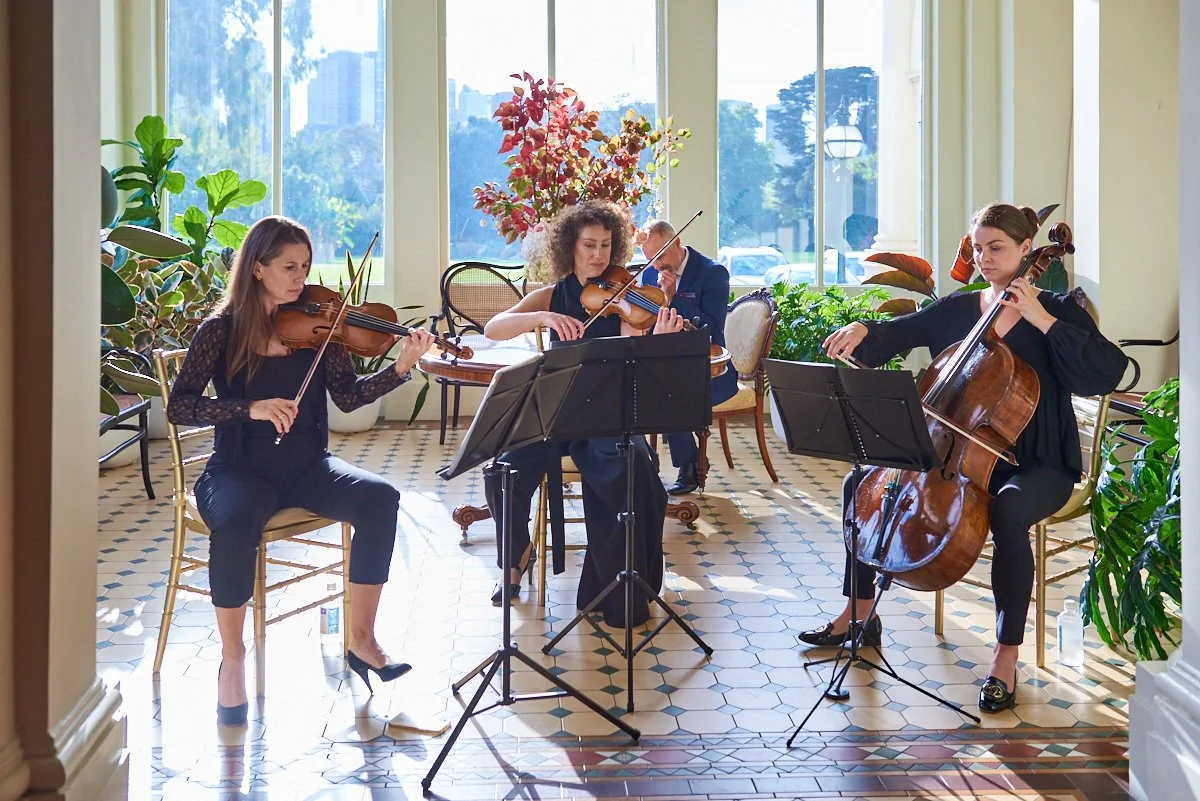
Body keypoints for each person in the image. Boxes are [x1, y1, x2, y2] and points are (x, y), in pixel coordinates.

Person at [798, 203, 1128, 714]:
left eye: (997, 247)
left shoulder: (1060, 310)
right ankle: (859, 615)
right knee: (858, 486)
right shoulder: (960, 308)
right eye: (978, 248)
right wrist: (864, 329)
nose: (985, 258)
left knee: (1009, 510)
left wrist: (1041, 319)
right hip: (963, 457)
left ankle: (1004, 655)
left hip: (1038, 462)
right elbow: (899, 333)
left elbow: (1108, 371)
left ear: (1026, 249)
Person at [166, 215, 435, 726]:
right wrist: (250, 408)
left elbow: (348, 397)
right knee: (236, 523)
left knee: (380, 499)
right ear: (257, 268)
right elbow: (180, 407)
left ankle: (362, 640)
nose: (301, 278)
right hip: (237, 470)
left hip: (309, 466)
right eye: (289, 267)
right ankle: (233, 658)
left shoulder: (322, 329)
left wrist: (401, 367)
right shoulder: (219, 331)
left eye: (306, 266)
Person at [482, 199, 685, 626]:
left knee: (629, 467)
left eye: (606, 246)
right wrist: (541, 316)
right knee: (501, 469)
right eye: (589, 245)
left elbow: (634, 358)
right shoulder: (552, 295)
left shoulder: (625, 299)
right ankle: (514, 559)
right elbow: (493, 328)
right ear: (570, 247)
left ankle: (611, 585)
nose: (598, 255)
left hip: (604, 420)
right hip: (555, 418)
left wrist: (659, 339)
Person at [637, 220, 738, 494]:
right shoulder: (650, 276)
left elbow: (712, 330)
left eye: (660, 256)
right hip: (667, 365)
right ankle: (642, 462)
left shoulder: (712, 273)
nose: (657, 266)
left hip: (712, 372)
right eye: (651, 260)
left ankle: (690, 465)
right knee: (635, 389)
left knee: (669, 392)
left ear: (677, 242)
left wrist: (673, 298)